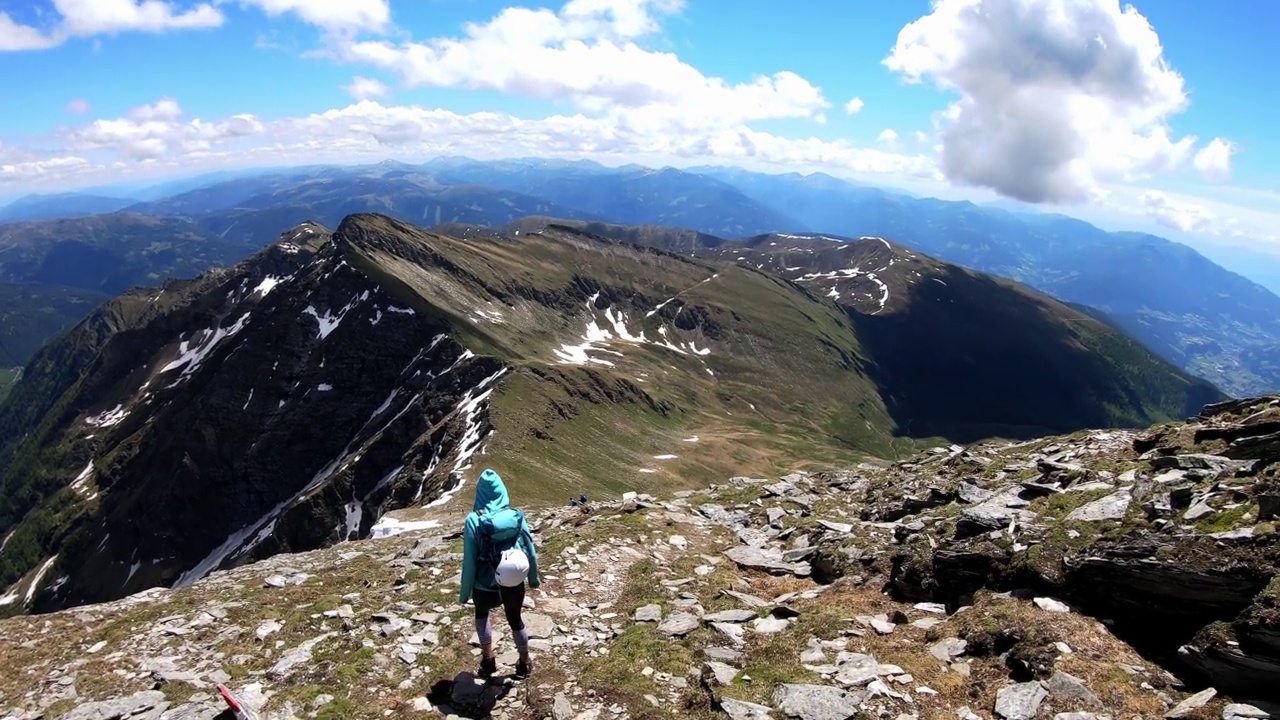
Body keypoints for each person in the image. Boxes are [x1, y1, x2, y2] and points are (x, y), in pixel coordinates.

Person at [459, 468, 540, 679]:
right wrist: (533, 579)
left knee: (482, 615)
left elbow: (469, 561)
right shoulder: (516, 515)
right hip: (512, 581)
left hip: (484, 585)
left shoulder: (473, 520)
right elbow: (530, 549)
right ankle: (525, 661)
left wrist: (465, 592)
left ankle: (488, 659)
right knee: (515, 619)